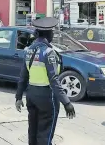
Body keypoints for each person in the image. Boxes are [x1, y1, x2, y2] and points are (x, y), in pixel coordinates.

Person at [15, 17, 75, 145]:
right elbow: (54, 80)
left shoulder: (29, 51)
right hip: (46, 97)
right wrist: (66, 102)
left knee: (33, 130)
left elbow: (23, 77)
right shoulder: (49, 52)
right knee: (45, 134)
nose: (53, 34)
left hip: (31, 95)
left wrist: (18, 97)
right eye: (52, 32)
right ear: (48, 34)